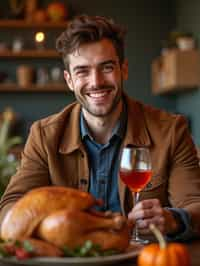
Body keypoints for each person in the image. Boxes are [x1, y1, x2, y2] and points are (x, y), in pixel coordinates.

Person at [0, 14, 200, 241]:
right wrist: (52, 226)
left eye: (106, 67)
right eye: (82, 71)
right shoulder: (43, 136)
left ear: (123, 70)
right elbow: (10, 208)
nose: (95, 82)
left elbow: (195, 205)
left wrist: (173, 219)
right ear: (69, 80)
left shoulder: (172, 131)